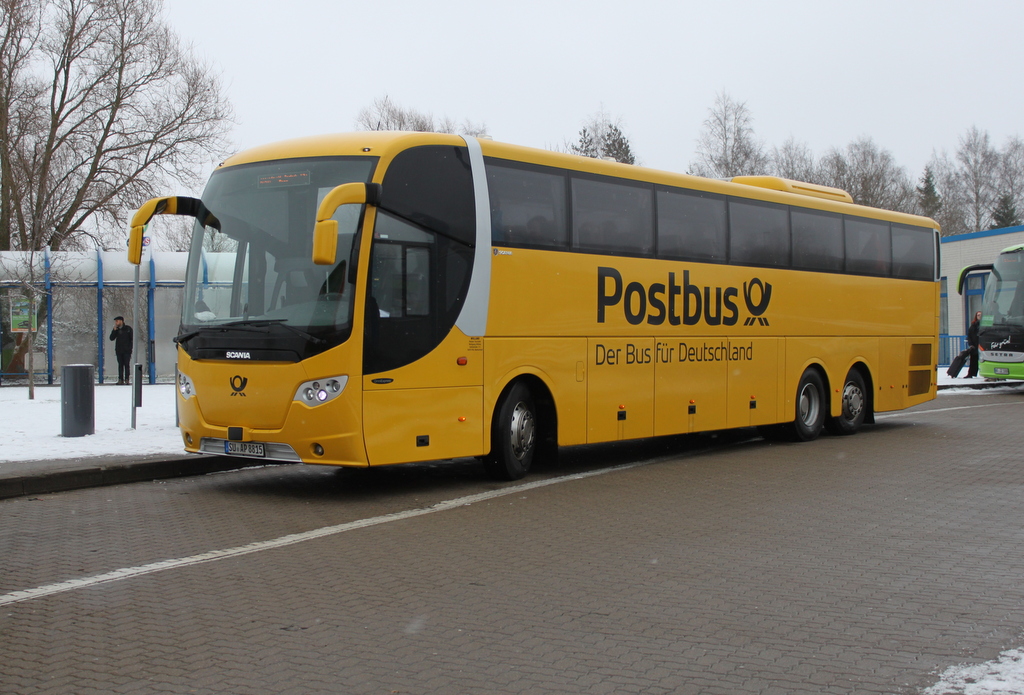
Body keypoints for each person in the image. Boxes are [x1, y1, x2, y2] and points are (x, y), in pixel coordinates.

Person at [109, 316, 133, 385]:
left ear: (121, 321)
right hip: (119, 350)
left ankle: (127, 379)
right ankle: (120, 379)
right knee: (120, 365)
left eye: (117, 321)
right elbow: (111, 338)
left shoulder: (128, 329)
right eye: (115, 321)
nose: (116, 322)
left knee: (126, 365)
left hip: (127, 351)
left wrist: (129, 349)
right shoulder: (117, 330)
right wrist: (114, 330)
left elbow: (131, 339)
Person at [966, 310, 981, 378]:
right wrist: (971, 344)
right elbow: (969, 335)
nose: (979, 316)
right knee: (973, 361)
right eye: (978, 315)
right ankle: (971, 374)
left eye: (980, 315)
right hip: (974, 346)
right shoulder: (973, 325)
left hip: (982, 345)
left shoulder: (985, 325)